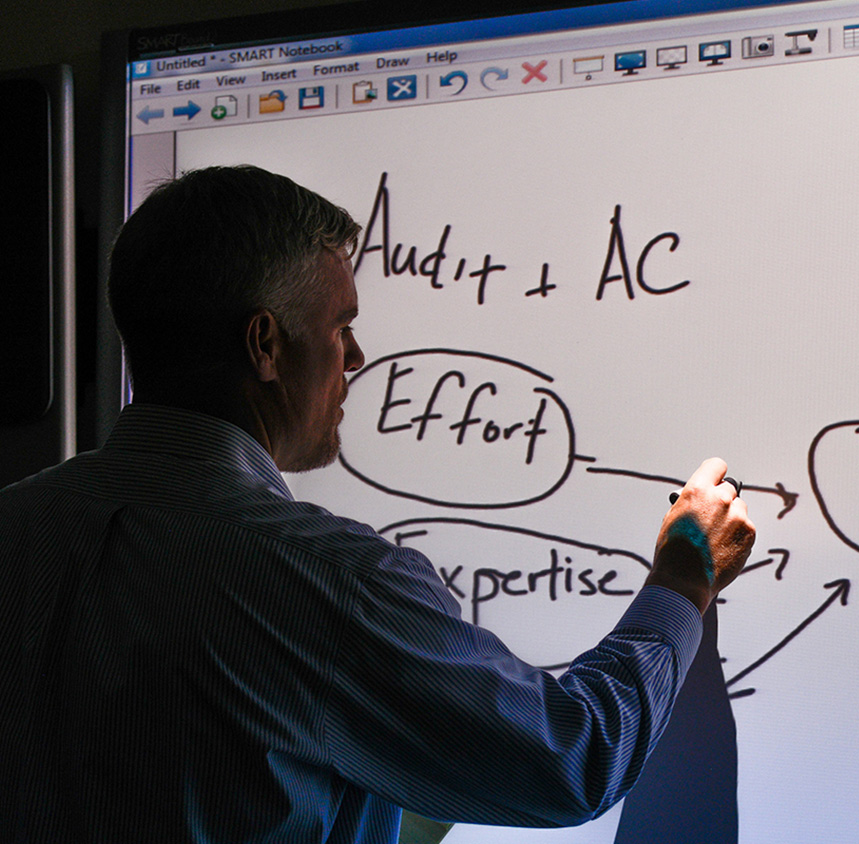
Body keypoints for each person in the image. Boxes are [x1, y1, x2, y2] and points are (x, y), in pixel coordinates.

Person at [0, 165, 756, 843]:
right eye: (341, 326)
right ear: (264, 344)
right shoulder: (329, 579)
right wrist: (684, 579)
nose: (357, 357)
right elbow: (573, 762)